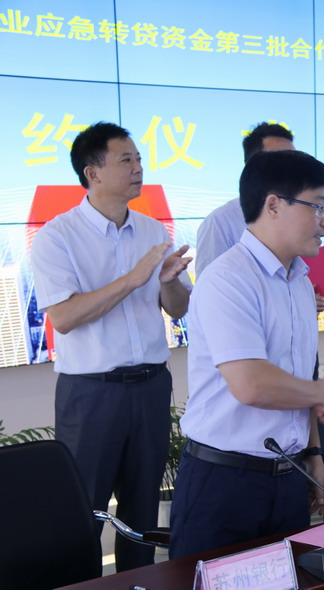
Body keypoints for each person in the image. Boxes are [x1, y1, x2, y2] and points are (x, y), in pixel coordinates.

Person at [31, 122, 192, 570]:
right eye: (126, 160)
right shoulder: (57, 237)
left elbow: (178, 308)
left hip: (151, 386)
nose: (139, 168)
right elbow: (64, 318)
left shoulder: (153, 231)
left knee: (143, 512)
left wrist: (168, 281)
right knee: (83, 511)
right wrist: (133, 279)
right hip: (91, 394)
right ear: (93, 173)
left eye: (139, 159)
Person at [170, 150, 324, 558]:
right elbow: (251, 384)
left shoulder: (299, 281)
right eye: (318, 206)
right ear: (273, 205)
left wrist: (313, 453)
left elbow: (300, 375)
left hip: (288, 477)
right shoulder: (228, 279)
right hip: (224, 482)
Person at [195, 122, 295, 275]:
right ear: (252, 166)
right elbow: (208, 284)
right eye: (280, 160)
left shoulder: (297, 214)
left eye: (294, 159)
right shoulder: (220, 221)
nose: (292, 168)